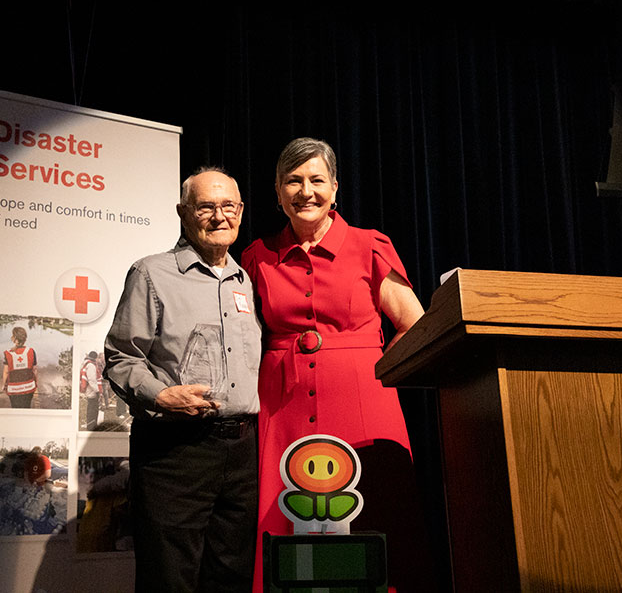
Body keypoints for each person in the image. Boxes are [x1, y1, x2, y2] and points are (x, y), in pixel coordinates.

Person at [242, 138, 438, 592]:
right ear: (277, 192)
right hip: (283, 407)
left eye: (315, 179)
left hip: (364, 402)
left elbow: (415, 326)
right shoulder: (257, 257)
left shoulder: (369, 246)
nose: (305, 191)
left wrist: (373, 375)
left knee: (374, 513)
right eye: (293, 181)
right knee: (285, 516)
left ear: (335, 187)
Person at [103, 167, 262, 593]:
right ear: (183, 212)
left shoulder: (243, 280)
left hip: (242, 450)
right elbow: (120, 358)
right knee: (170, 578)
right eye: (206, 206)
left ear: (241, 211)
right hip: (175, 450)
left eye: (228, 206)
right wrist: (161, 394)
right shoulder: (152, 274)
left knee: (230, 575)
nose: (218, 216)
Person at [2, 326, 37, 408]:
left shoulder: (8, 353)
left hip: (13, 389)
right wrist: (36, 383)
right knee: (27, 407)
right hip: (29, 387)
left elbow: (6, 372)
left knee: (15, 408)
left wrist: (4, 385)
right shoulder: (31, 351)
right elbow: (34, 370)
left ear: (14, 339)